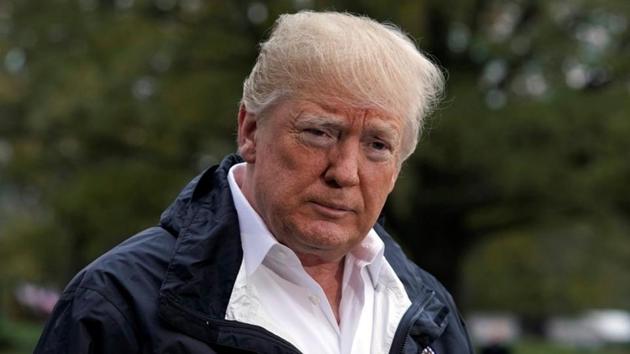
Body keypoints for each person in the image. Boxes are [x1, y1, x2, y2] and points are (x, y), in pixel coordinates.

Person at [34, 11, 473, 354]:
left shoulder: (427, 311)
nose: (344, 171)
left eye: (377, 145)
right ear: (250, 131)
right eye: (319, 132)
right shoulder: (119, 304)